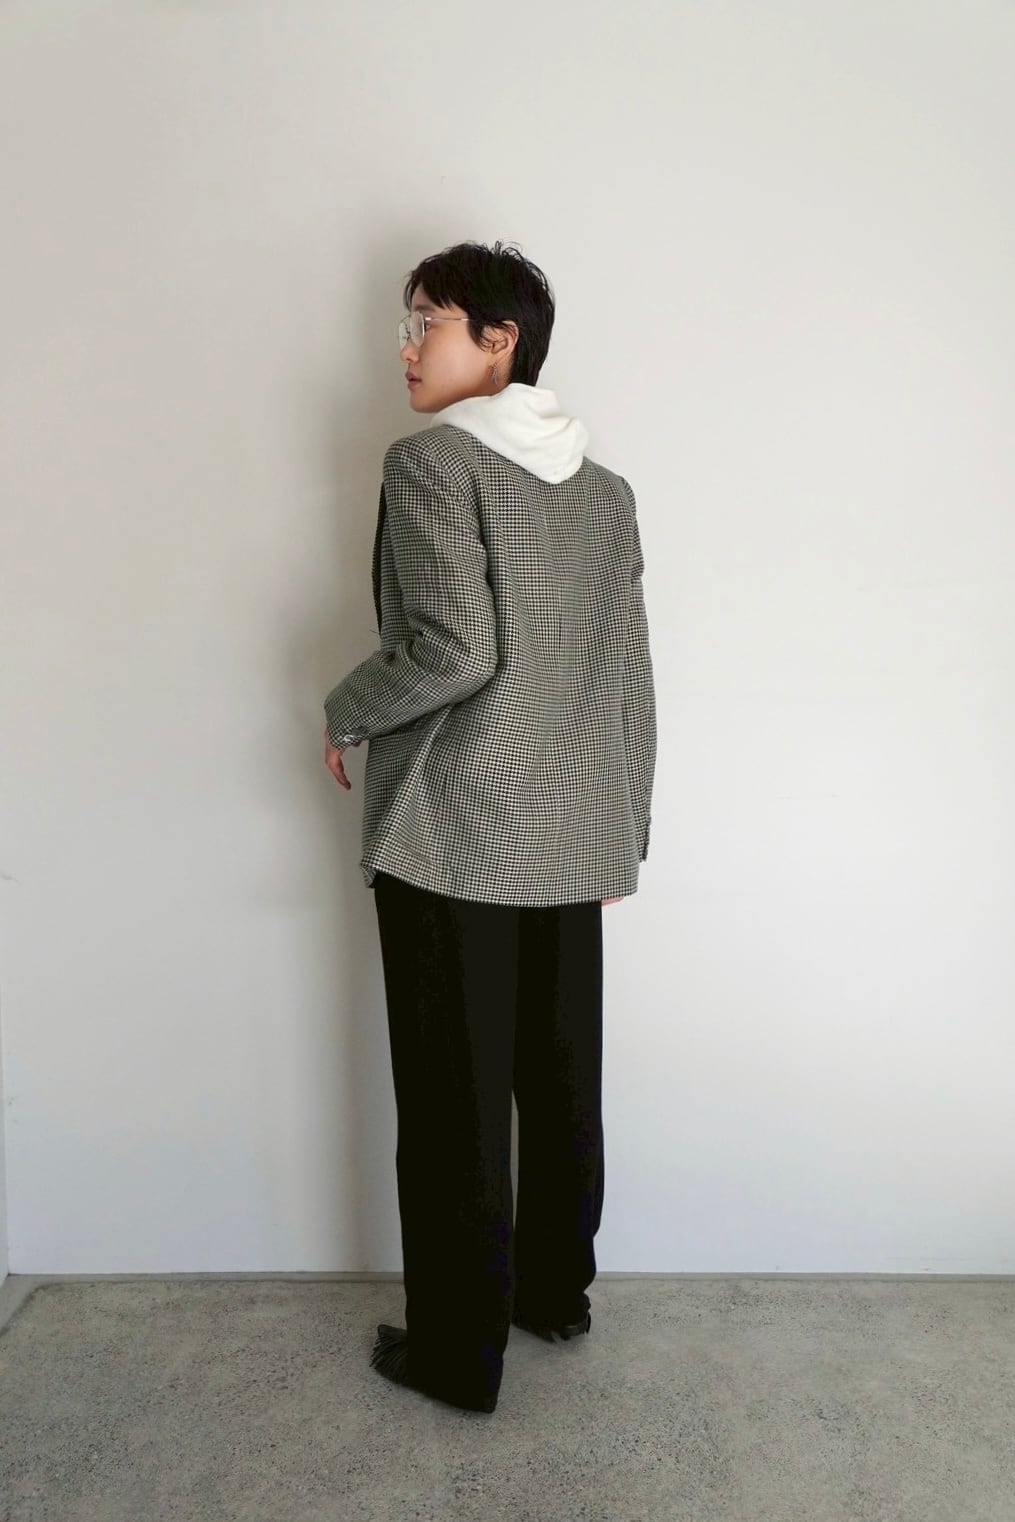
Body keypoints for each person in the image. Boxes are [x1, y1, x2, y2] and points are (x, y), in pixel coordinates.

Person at [322, 239, 656, 1414]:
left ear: (499, 340)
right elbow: (629, 675)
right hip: (570, 830)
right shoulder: (605, 490)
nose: (406, 347)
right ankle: (553, 1294)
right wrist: (625, 828)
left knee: (454, 1100)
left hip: (455, 830)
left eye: (427, 320)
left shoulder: (431, 462)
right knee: (559, 1081)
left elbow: (453, 651)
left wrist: (345, 708)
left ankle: (458, 1355)